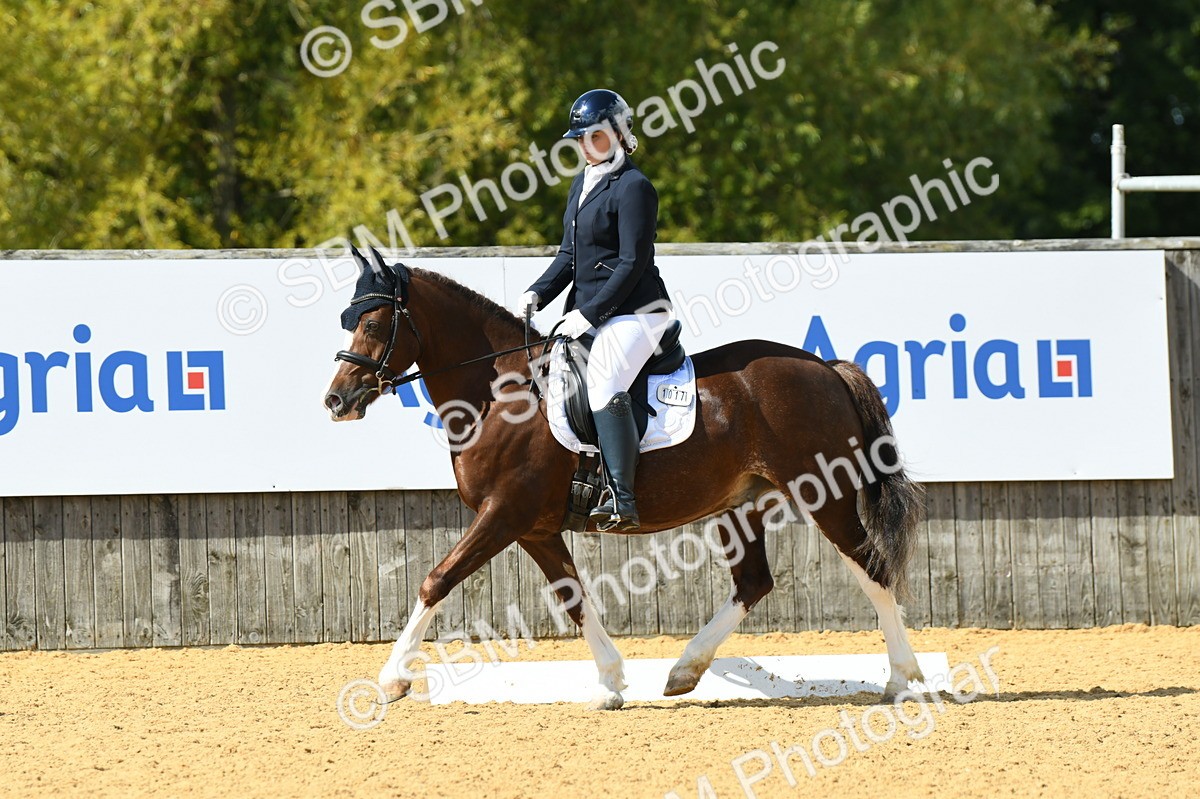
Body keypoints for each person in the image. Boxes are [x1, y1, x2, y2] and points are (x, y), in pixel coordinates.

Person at [520, 89, 673, 532]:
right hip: (594, 310)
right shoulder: (582, 184)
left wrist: (589, 314)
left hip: (639, 311)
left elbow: (632, 262)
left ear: (621, 134)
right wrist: (538, 292)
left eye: (596, 138)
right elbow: (569, 255)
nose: (587, 147)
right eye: (581, 140)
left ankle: (623, 497)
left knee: (604, 377)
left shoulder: (635, 187)